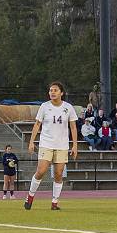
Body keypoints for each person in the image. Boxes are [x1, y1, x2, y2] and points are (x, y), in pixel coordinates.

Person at [24, 82, 78, 211]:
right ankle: (30, 196)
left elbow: (73, 127)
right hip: (46, 143)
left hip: (62, 145)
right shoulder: (44, 106)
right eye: (50, 90)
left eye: (55, 90)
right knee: (41, 171)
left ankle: (54, 203)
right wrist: (31, 141)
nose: (52, 92)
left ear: (61, 93)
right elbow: (37, 124)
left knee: (58, 174)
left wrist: (75, 145)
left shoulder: (68, 107)